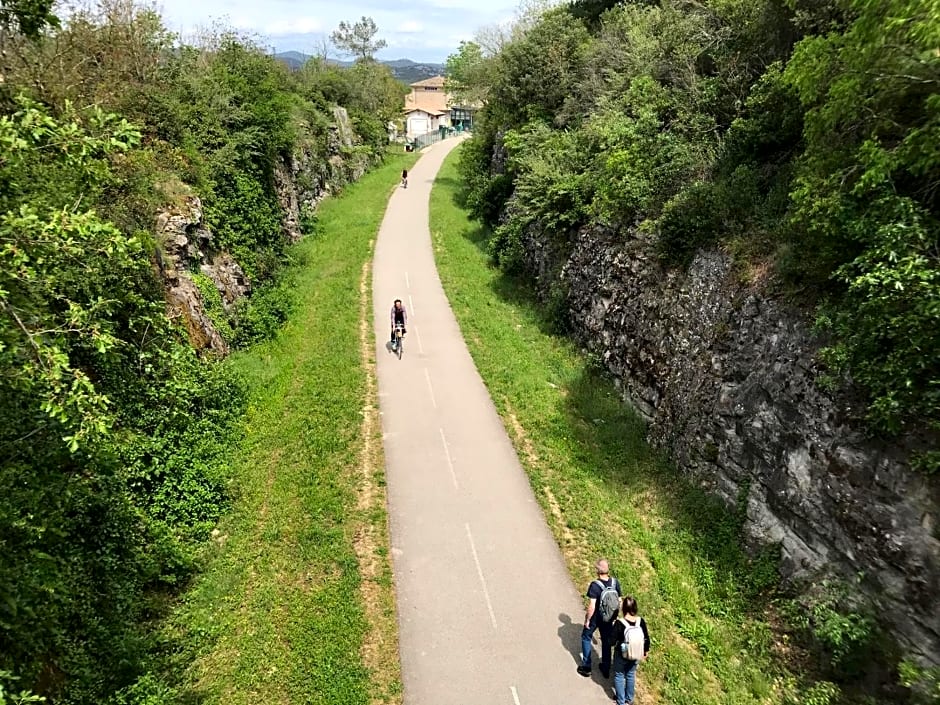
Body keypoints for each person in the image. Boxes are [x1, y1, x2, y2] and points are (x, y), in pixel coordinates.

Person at [577, 559, 621, 678]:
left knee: (586, 636)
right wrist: (614, 617)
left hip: (596, 617)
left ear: (598, 571)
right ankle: (606, 667)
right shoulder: (615, 583)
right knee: (606, 641)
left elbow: (591, 606)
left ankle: (586, 667)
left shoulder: (595, 585)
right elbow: (619, 601)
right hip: (609, 617)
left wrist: (587, 620)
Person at [611, 596, 650, 705]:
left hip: (622, 654)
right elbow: (646, 638)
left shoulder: (620, 623)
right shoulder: (640, 621)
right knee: (630, 674)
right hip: (636, 653)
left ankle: (621, 700)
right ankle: (630, 699)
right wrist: (645, 651)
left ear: (623, 608)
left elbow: (612, 641)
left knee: (619, 675)